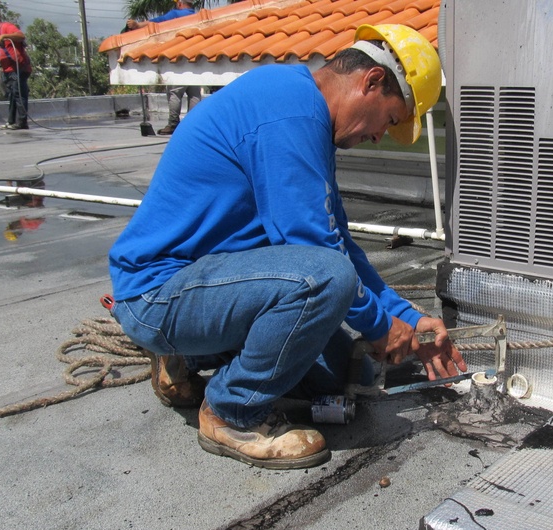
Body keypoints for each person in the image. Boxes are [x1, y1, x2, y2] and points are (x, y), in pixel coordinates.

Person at [108, 24, 466, 470]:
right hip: (159, 293)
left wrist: (406, 318)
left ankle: (186, 355)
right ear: (372, 81)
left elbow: (338, 243)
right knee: (327, 279)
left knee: (344, 374)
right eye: (389, 120)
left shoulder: (306, 114)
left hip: (207, 286)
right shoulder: (288, 111)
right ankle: (231, 411)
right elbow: (319, 255)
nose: (379, 136)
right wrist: (379, 326)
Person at [124, 0, 202, 135]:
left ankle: (173, 124)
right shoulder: (197, 16)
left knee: (175, 93)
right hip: (196, 59)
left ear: (179, 3)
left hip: (178, 60)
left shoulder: (176, 14)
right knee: (194, 93)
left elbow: (156, 23)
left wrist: (137, 25)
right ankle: (193, 124)